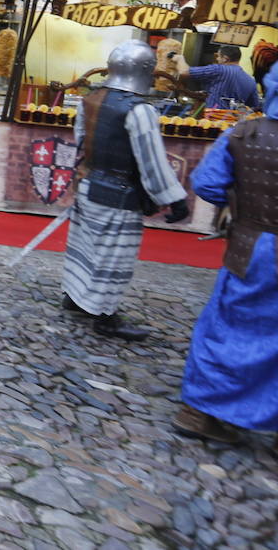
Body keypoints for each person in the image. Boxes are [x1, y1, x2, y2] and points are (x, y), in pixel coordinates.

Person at [171, 56, 278, 469]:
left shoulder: (240, 133)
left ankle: (200, 412)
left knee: (228, 329)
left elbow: (208, 184)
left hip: (248, 251)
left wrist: (245, 202)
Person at [62, 41, 190, 341]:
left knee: (84, 247)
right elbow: (152, 160)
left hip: (90, 184)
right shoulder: (140, 110)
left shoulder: (91, 99)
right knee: (112, 257)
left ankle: (76, 297)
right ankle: (105, 316)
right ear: (146, 70)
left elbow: (81, 141)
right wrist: (173, 198)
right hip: (119, 193)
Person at [173, 44, 260, 110]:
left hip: (213, 121)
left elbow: (184, 72)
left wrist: (179, 59)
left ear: (225, 58)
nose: (217, 59)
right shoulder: (251, 80)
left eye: (218, 56)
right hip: (234, 124)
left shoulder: (219, 69)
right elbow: (254, 106)